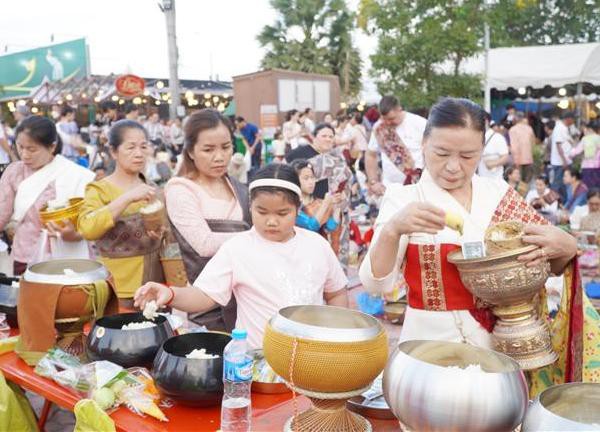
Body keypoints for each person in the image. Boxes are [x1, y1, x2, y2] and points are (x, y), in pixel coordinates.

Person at [359, 97, 595, 394]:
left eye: (468, 156)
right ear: (424, 145)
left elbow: (550, 262)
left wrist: (565, 244)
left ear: (482, 151)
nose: (453, 167)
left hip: (500, 347)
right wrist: (393, 230)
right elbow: (375, 284)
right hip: (429, 350)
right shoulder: (404, 199)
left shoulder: (496, 193)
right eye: (441, 153)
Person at [134, 164, 349, 350]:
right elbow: (203, 296)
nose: (271, 221)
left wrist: (338, 337)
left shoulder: (317, 245)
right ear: (250, 207)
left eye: (282, 213)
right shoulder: (237, 248)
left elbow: (336, 293)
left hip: (314, 357)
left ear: (297, 209)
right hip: (260, 364)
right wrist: (170, 293)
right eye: (261, 212)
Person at [165, 110, 251, 330]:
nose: (220, 157)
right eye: (208, 149)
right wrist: (257, 237)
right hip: (203, 301)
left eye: (225, 147)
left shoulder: (237, 187)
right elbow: (204, 244)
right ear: (191, 151)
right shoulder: (181, 189)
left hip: (244, 296)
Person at [78, 120, 165, 304]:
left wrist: (160, 232)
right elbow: (88, 228)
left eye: (143, 147)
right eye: (131, 147)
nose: (139, 154)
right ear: (114, 152)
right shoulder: (99, 189)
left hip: (154, 285)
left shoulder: (153, 188)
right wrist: (127, 198)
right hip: (117, 287)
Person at [0, 116, 95, 275]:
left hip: (69, 256)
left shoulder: (74, 174)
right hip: (26, 254)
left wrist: (75, 233)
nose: (24, 155)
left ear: (52, 147)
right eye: (20, 147)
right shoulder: (14, 173)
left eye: (32, 149)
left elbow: (92, 221)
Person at [365, 95, 427, 196]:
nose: (388, 122)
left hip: (418, 186)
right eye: (384, 119)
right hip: (390, 190)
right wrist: (373, 181)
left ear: (399, 109)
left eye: (391, 118)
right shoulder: (379, 128)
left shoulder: (419, 123)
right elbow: (370, 155)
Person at [292, 159, 340, 241]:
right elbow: (311, 227)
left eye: (312, 177)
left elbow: (330, 227)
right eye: (306, 178)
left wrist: (336, 206)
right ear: (295, 181)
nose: (311, 182)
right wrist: (325, 204)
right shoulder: (293, 205)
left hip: (317, 248)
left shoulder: (318, 202)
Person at [550, 112, 576, 194]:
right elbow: (558, 145)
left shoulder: (564, 128)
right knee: (557, 184)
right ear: (569, 119)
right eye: (573, 119)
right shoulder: (559, 128)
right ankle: (552, 204)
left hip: (565, 161)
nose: (574, 121)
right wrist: (564, 161)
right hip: (560, 162)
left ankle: (563, 202)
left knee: (565, 184)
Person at [570, 120, 600, 189]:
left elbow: (576, 151)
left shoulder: (585, 139)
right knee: (597, 186)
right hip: (598, 167)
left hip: (587, 167)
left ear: (589, 129)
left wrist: (570, 154)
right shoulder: (599, 138)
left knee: (587, 187)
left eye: (585, 129)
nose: (584, 131)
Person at [478, 115, 509, 180]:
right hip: (480, 178)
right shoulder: (476, 136)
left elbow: (505, 157)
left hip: (495, 178)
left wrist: (493, 164)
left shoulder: (498, 137)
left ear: (486, 121)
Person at [508, 111, 535, 183]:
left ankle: (519, 194)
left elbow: (514, 146)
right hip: (529, 159)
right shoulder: (529, 128)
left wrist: (515, 161)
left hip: (518, 160)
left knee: (517, 182)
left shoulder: (513, 130)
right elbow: (533, 143)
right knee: (526, 182)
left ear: (515, 118)